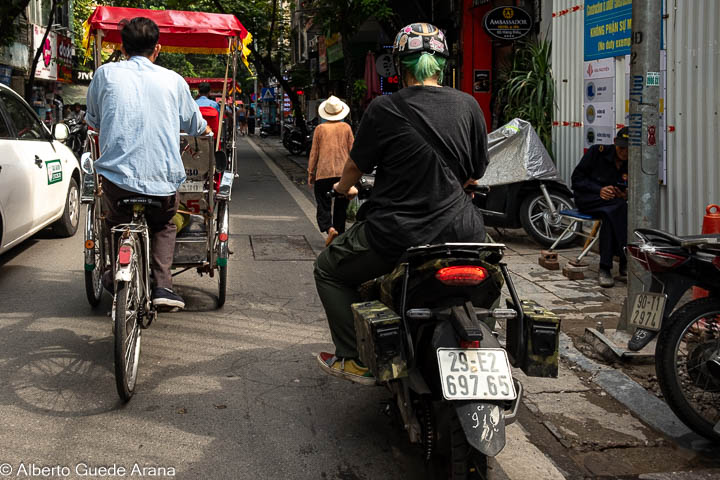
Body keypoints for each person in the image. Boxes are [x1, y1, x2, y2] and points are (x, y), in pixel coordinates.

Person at [314, 23, 489, 384]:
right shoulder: (469, 105)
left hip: (397, 235)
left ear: (398, 64)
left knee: (328, 270)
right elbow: (476, 171)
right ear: (442, 64)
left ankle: (354, 358)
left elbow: (355, 167)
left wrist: (343, 189)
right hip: (464, 233)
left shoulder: (384, 107)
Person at [86, 16, 211, 309]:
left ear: (123, 48)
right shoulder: (173, 80)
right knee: (164, 224)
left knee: (115, 222)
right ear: (157, 49)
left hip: (117, 183)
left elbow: (93, 120)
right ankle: (163, 286)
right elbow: (195, 125)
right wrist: (205, 130)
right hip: (162, 184)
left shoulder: (104, 74)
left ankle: (113, 271)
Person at [571, 127, 630, 288]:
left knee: (612, 213)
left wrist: (624, 194)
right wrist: (599, 190)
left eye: (628, 149)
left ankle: (606, 267)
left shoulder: (631, 163)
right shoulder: (597, 152)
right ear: (615, 143)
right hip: (589, 199)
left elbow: (628, 189)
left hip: (612, 205)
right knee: (617, 209)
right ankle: (623, 261)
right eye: (621, 148)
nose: (624, 153)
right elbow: (576, 179)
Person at [307, 96, 354, 247]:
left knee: (323, 203)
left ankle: (329, 228)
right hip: (343, 174)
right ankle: (338, 236)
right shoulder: (346, 127)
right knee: (341, 206)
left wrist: (310, 172)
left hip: (323, 174)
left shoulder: (320, 129)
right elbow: (353, 151)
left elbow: (314, 153)